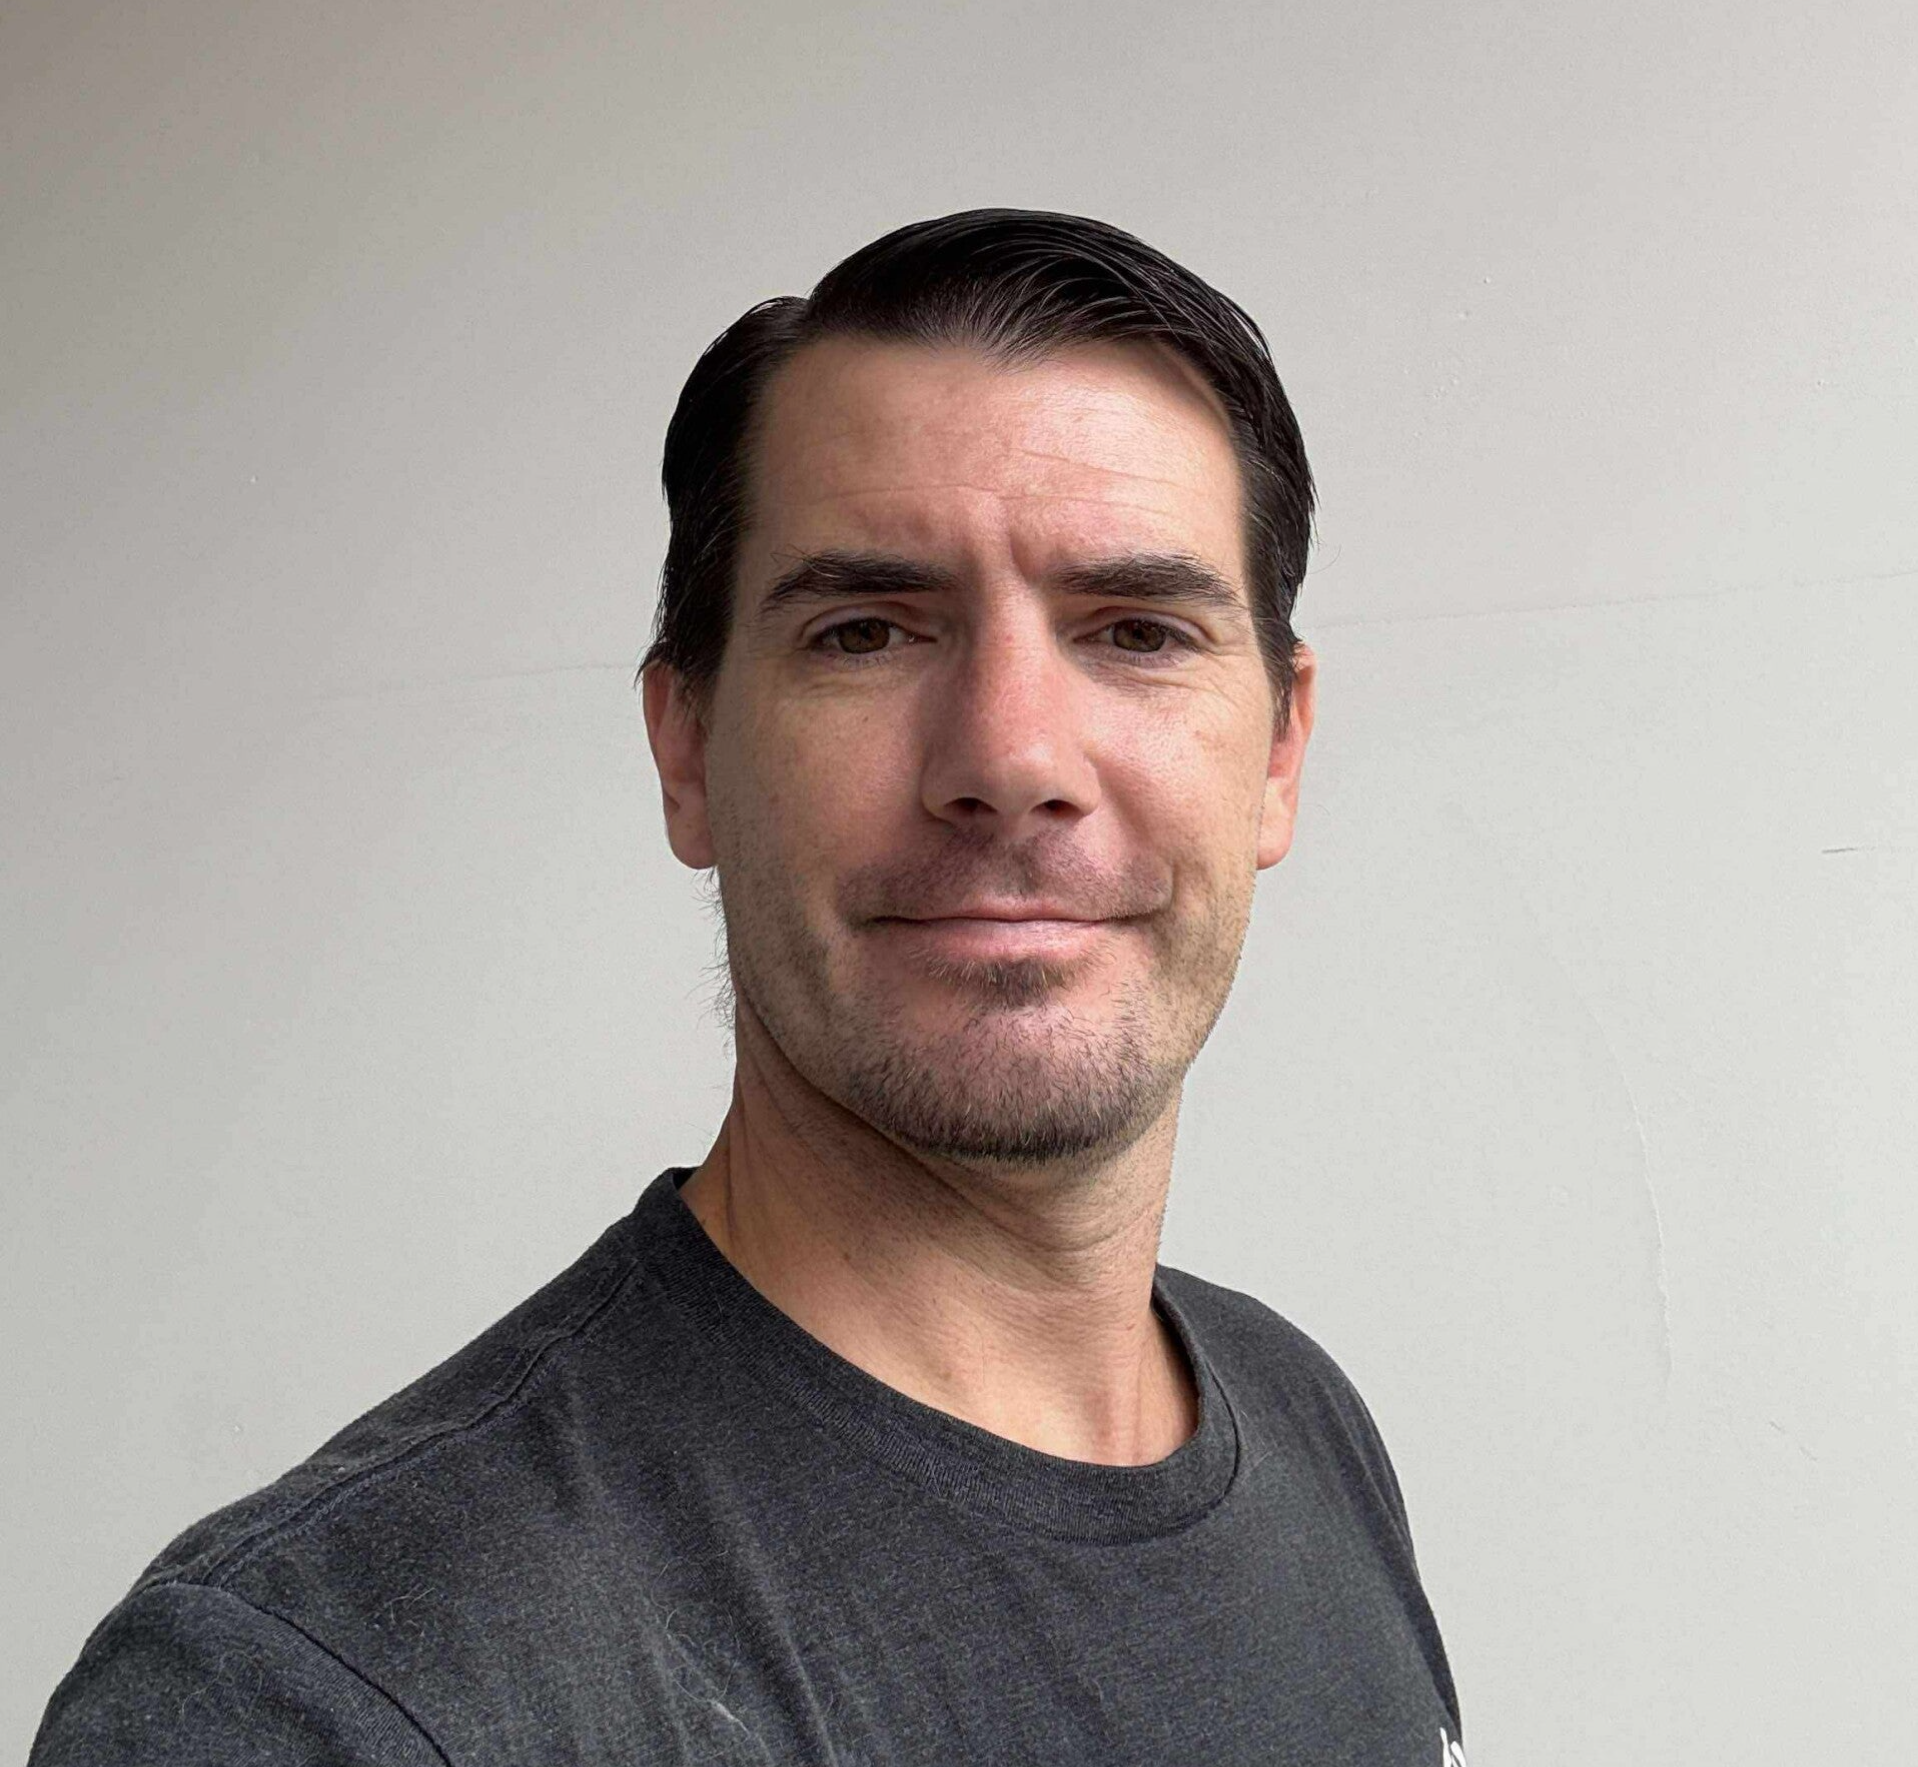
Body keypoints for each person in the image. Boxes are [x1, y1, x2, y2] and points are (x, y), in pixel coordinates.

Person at [31, 210, 1466, 1765]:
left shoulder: (1300, 1421)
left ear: (1278, 751)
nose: (1009, 758)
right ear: (685, 748)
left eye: (1134, 630)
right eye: (866, 631)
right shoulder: (319, 1698)